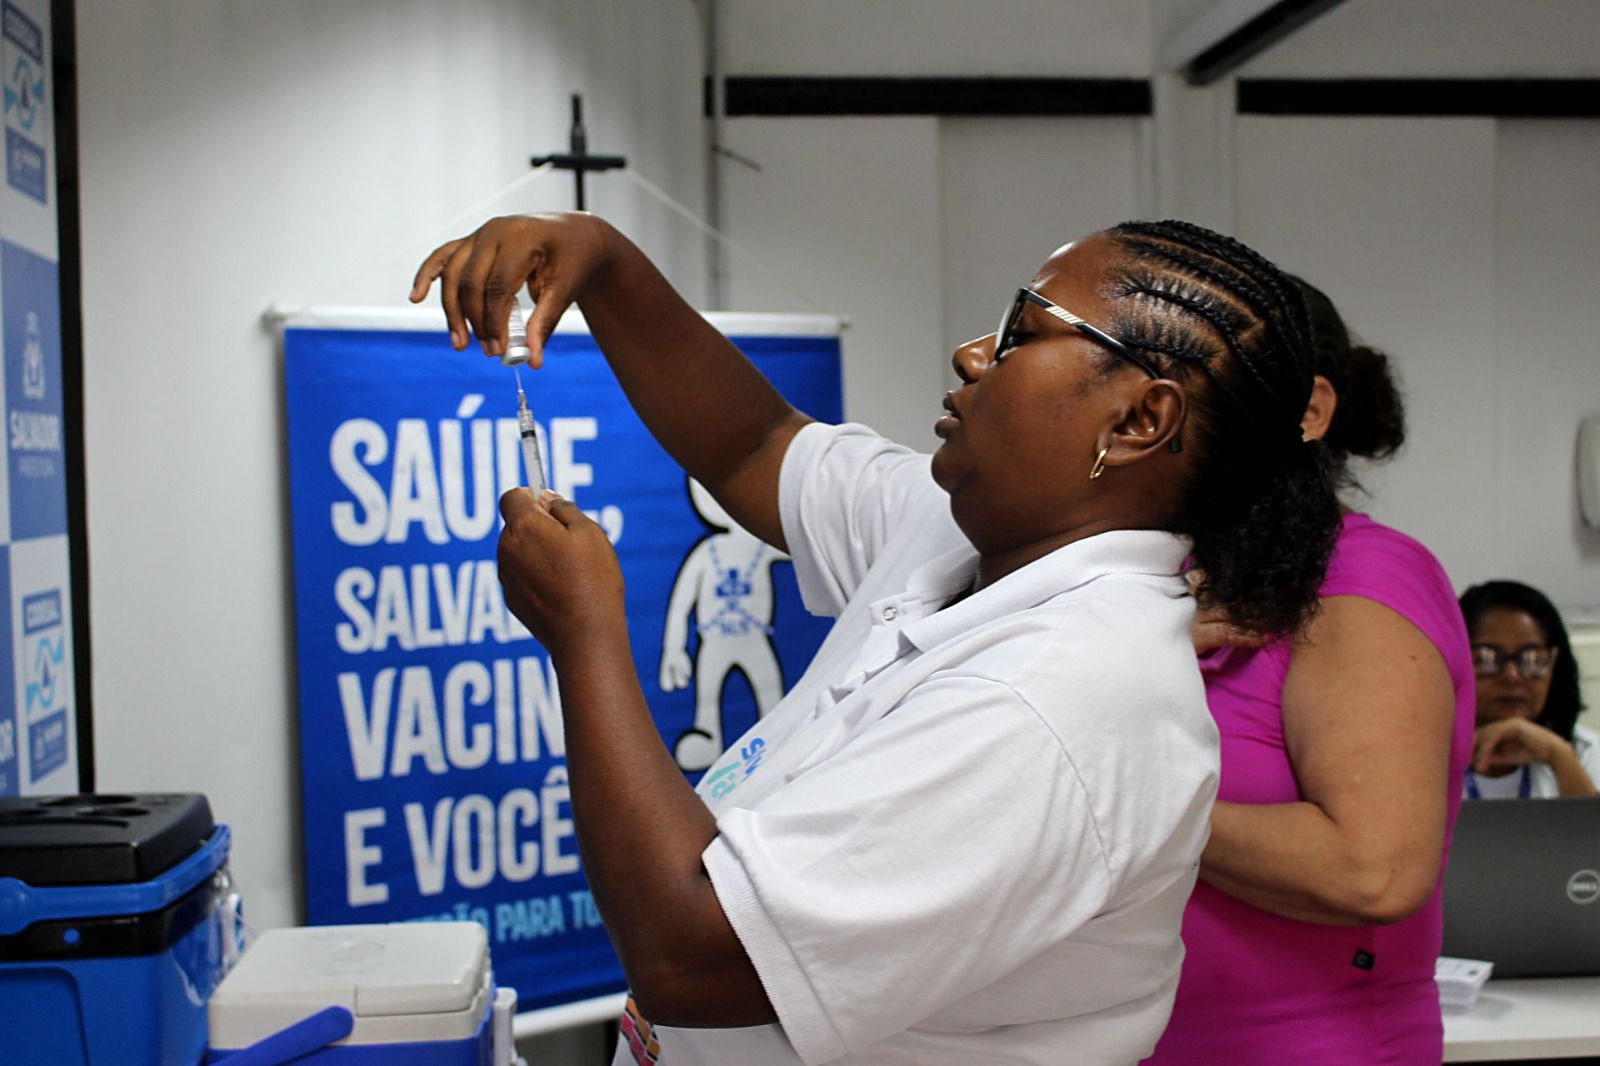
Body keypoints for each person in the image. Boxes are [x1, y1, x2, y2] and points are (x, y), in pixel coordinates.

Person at [410, 213, 1342, 1065]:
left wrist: (585, 639)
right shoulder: (966, 536)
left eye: (1023, 332)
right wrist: (602, 260)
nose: (975, 354)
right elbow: (754, 446)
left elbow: (691, 956)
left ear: (1140, 420)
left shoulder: (1061, 701)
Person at [1147, 278, 1476, 1065]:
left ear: (1311, 409)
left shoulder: (1363, 579)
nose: (1151, 412)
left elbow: (1371, 871)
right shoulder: (1168, 578)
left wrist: (1134, 802)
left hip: (1309, 1044)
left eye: (1186, 384)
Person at [1459, 579, 1597, 798]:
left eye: (1531, 658)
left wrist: (1559, 756)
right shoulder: (1426, 754)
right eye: (1487, 658)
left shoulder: (1586, 751)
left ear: (1553, 664)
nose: (1512, 676)